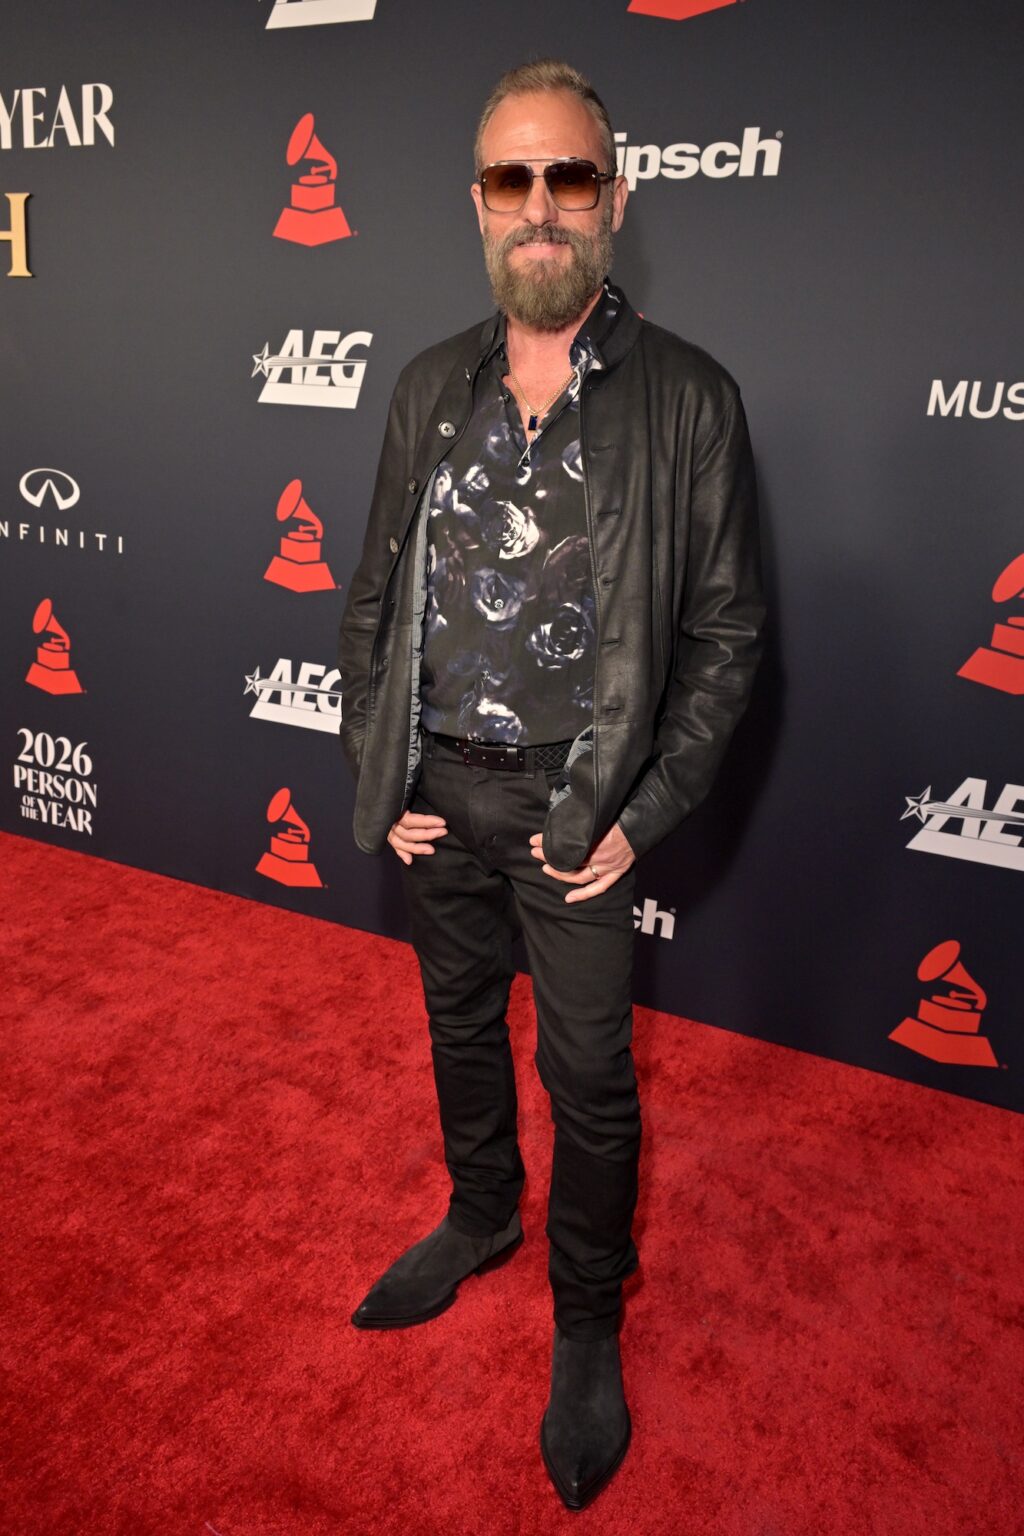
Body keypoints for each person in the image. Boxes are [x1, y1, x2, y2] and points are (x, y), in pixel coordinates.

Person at [337, 58, 765, 1511]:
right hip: (440, 794)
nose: (539, 208)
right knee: (458, 1020)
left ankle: (589, 1319)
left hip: (581, 816)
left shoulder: (690, 399)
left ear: (613, 199)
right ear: (477, 203)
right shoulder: (422, 390)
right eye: (511, 180)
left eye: (566, 178)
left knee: (590, 1080)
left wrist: (638, 819)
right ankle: (478, 1217)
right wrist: (380, 763)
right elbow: (371, 605)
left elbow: (723, 643)